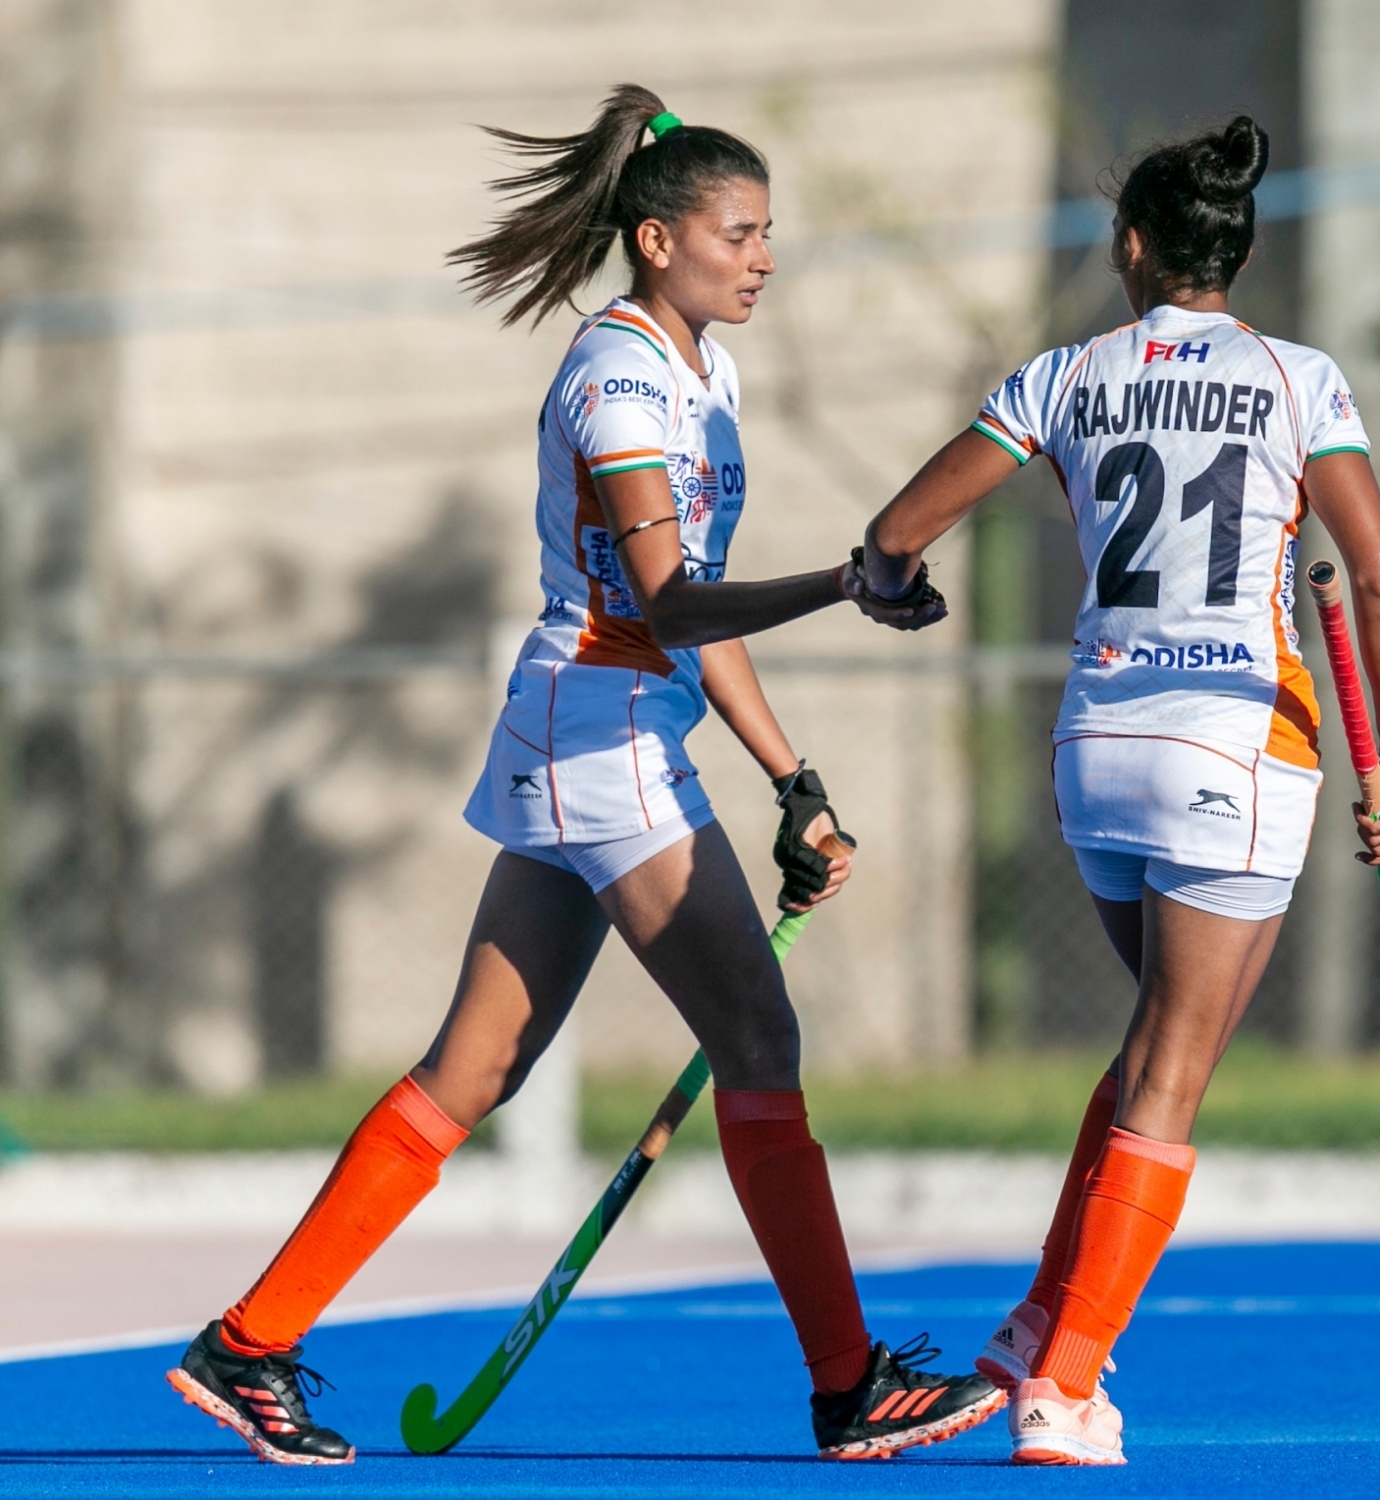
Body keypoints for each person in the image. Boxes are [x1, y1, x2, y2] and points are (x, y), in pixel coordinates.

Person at [165, 85, 990, 1466]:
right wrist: (850, 583)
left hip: (613, 727)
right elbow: (667, 608)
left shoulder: (704, 378)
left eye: (770, 232)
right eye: (740, 232)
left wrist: (791, 776)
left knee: (472, 1068)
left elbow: (699, 611)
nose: (763, 256)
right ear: (659, 240)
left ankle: (245, 1347)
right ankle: (850, 1386)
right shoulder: (615, 382)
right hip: (599, 734)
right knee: (760, 1043)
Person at [857, 114, 1380, 1464]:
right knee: (1172, 1072)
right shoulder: (1298, 380)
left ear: (1132, 246)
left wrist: (896, 587)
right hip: (1237, 748)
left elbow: (892, 536)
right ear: (1233, 250)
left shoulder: (1065, 373)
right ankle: (1066, 1387)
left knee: (1148, 1052)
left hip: (1098, 749)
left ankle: (1036, 1323)